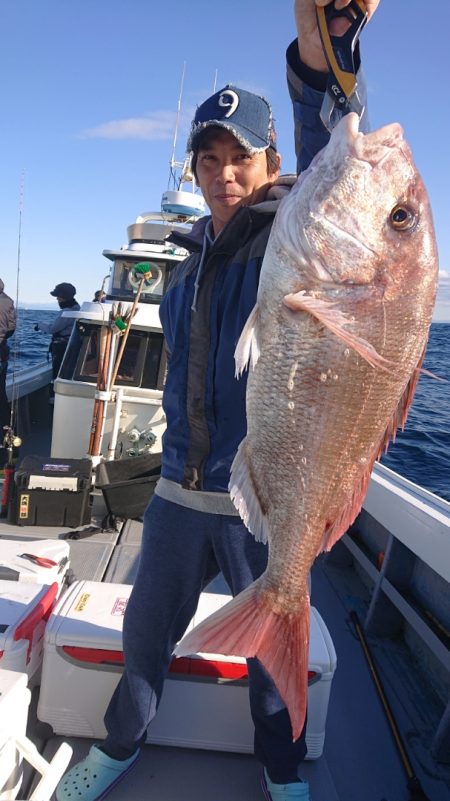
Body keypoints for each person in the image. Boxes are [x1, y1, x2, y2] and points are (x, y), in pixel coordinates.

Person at [56, 2, 380, 800]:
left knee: (278, 651)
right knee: (143, 642)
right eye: (210, 159)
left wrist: (324, 60)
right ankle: (121, 745)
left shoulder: (291, 239)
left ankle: (282, 767)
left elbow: (337, 160)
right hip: (175, 490)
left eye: (242, 157)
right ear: (195, 171)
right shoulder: (185, 258)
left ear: (272, 165)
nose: (225, 173)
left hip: (259, 501)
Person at [34, 282, 80, 379]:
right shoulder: (77, 308)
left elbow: (53, 329)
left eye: (58, 296)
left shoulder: (67, 312)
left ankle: (54, 390)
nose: (57, 299)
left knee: (58, 373)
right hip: (71, 345)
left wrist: (39, 325)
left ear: (64, 296)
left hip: (61, 347)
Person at [0, 280, 16, 443]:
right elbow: (11, 328)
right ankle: (5, 430)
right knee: (1, 393)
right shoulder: (8, 300)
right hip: (2, 352)